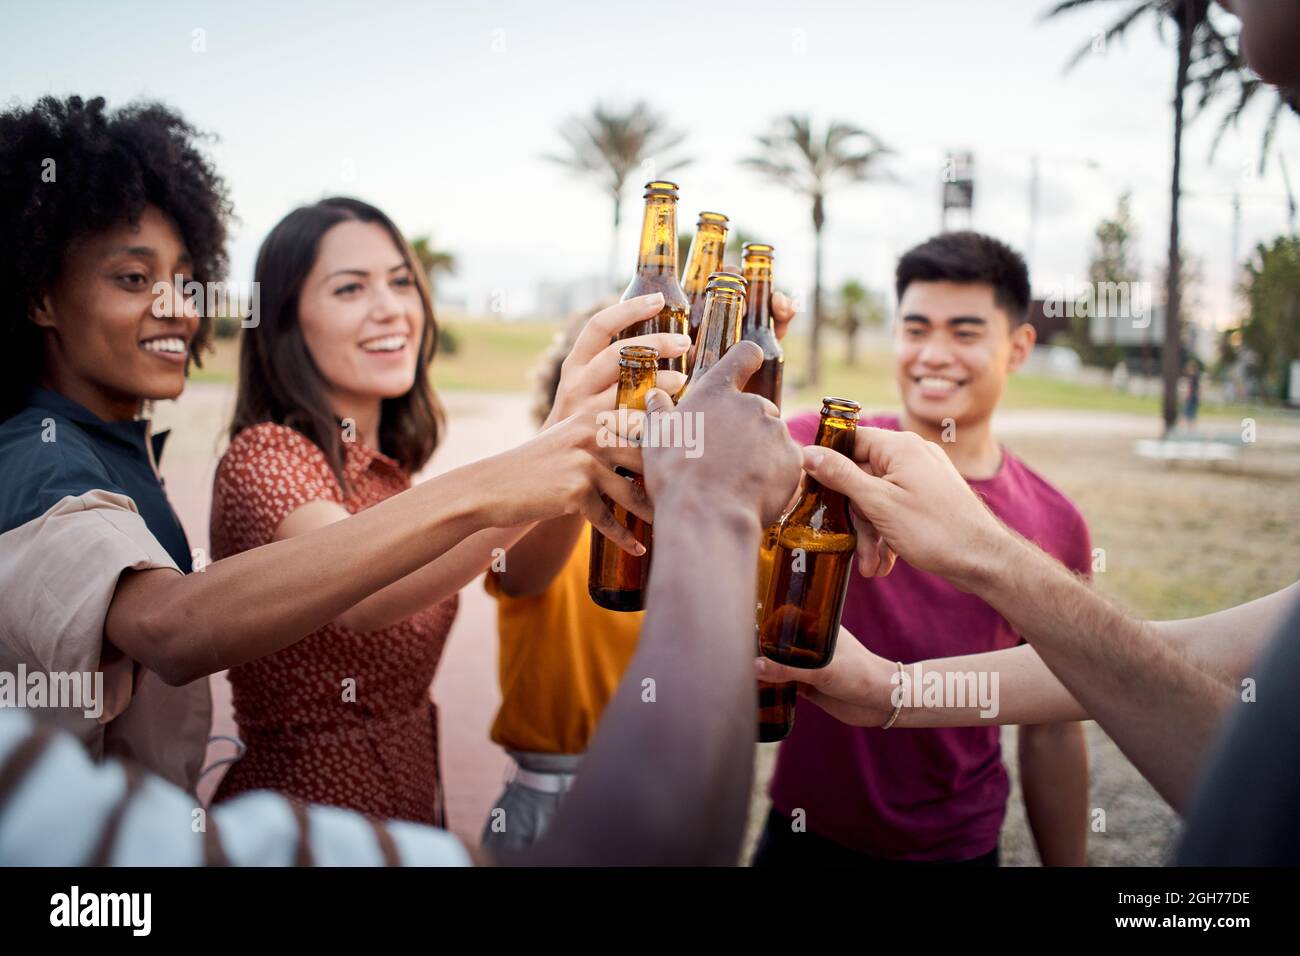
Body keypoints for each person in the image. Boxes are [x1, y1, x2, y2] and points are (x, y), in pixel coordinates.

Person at [0, 95, 659, 794]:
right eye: (134, 278)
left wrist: (567, 443)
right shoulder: (217, 457)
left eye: (402, 282)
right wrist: (512, 472)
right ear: (39, 298)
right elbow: (176, 628)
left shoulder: (368, 467)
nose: (177, 305)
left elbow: (516, 571)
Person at [0, 343, 805, 866]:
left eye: (400, 281)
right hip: (312, 801)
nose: (389, 308)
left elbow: (503, 560)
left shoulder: (389, 475)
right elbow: (364, 597)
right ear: (287, 319)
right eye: (350, 287)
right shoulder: (271, 453)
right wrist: (707, 499)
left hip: (413, 812)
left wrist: (562, 459)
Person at [756, 232, 1090, 867]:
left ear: (1018, 347)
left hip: (958, 846)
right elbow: (733, 452)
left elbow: (1053, 726)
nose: (934, 355)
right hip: (804, 832)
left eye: (965, 333)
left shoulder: (1056, 522)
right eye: (916, 329)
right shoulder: (823, 449)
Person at [480, 289, 798, 851]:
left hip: (671, 779)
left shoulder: (686, 523)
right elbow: (520, 577)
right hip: (546, 795)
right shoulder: (538, 513)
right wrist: (586, 455)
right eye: (621, 392)